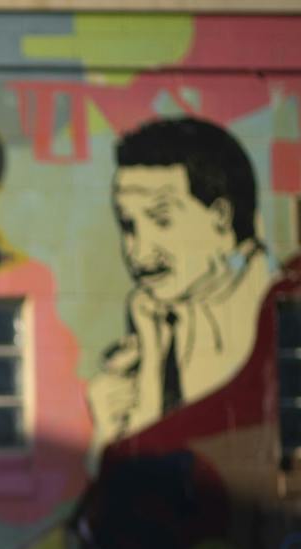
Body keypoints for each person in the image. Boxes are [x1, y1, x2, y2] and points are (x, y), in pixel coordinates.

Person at [88, 116, 273, 445]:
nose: (138, 252)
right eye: (128, 226)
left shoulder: (272, 305)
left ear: (220, 216)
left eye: (161, 220)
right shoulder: (152, 317)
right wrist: (111, 427)